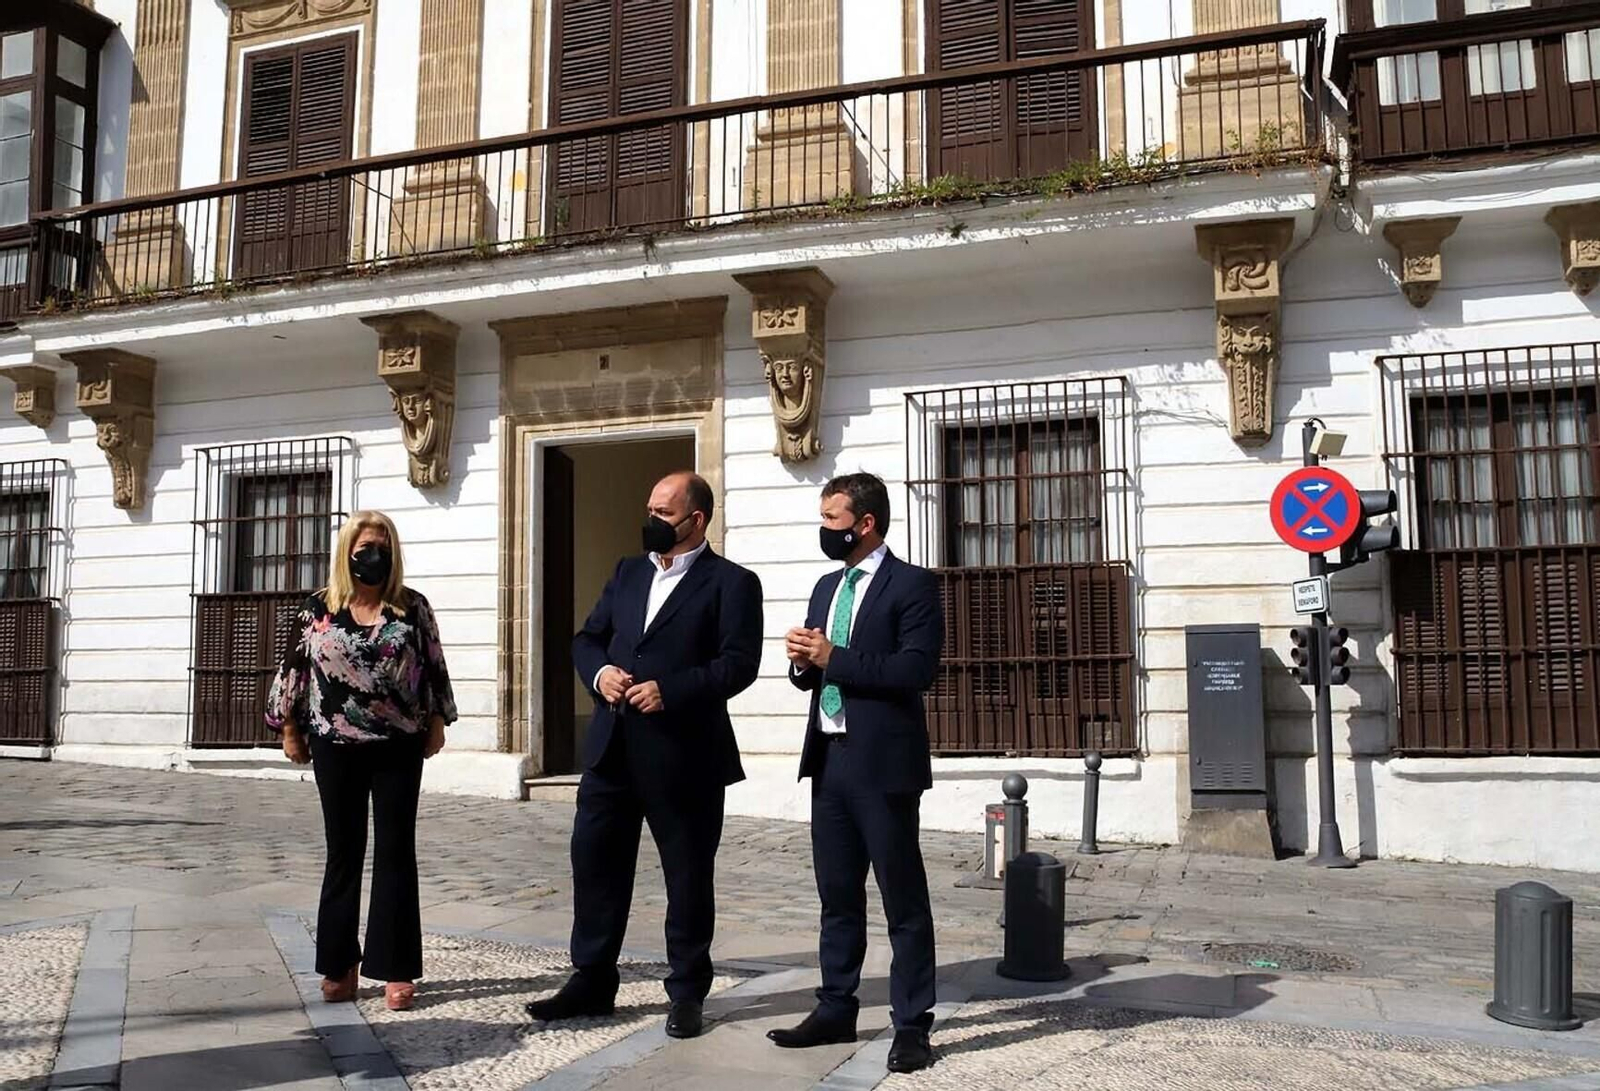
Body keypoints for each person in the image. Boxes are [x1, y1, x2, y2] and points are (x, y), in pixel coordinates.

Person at [526, 471, 763, 1040]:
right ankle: (592, 979)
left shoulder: (732, 583)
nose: (652, 519)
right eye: (649, 508)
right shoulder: (627, 573)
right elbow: (587, 638)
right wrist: (601, 672)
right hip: (610, 750)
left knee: (686, 876)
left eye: (663, 511)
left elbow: (738, 665)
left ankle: (686, 993)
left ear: (696, 520)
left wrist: (670, 690)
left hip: (685, 756)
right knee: (596, 864)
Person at [769, 472, 942, 1074]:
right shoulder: (825, 586)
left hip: (884, 765)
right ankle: (835, 1006)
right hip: (830, 759)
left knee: (903, 900)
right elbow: (819, 673)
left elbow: (915, 670)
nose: (825, 532)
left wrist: (833, 657)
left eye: (832, 521)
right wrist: (802, 663)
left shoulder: (913, 586)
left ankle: (912, 1024)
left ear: (864, 524)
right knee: (837, 895)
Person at [267, 510, 455, 1013]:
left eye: (383, 547)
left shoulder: (412, 607)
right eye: (365, 547)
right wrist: (288, 726)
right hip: (334, 743)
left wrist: (438, 720)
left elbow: (433, 664)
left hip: (398, 743)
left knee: (396, 851)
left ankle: (396, 967)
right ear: (347, 553)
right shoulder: (318, 609)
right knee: (343, 851)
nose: (374, 555)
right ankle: (338, 963)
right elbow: (294, 669)